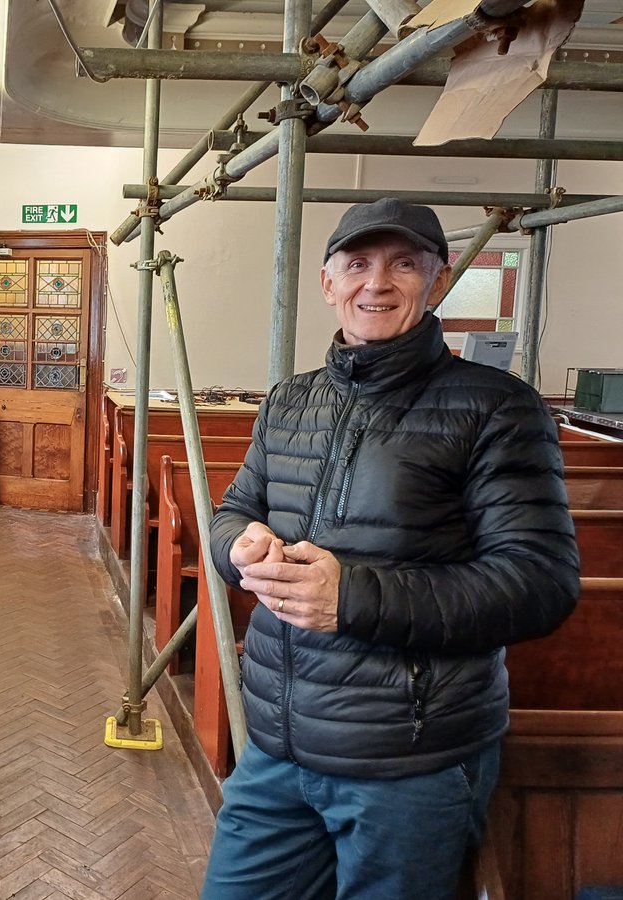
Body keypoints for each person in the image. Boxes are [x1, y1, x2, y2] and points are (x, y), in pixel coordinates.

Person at [201, 198, 580, 899]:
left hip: (409, 761)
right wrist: (239, 549)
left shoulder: (496, 407)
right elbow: (232, 512)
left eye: (403, 264)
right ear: (328, 283)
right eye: (357, 264)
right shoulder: (290, 402)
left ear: (438, 281)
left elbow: (539, 583)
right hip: (278, 747)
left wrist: (351, 597)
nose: (376, 282)